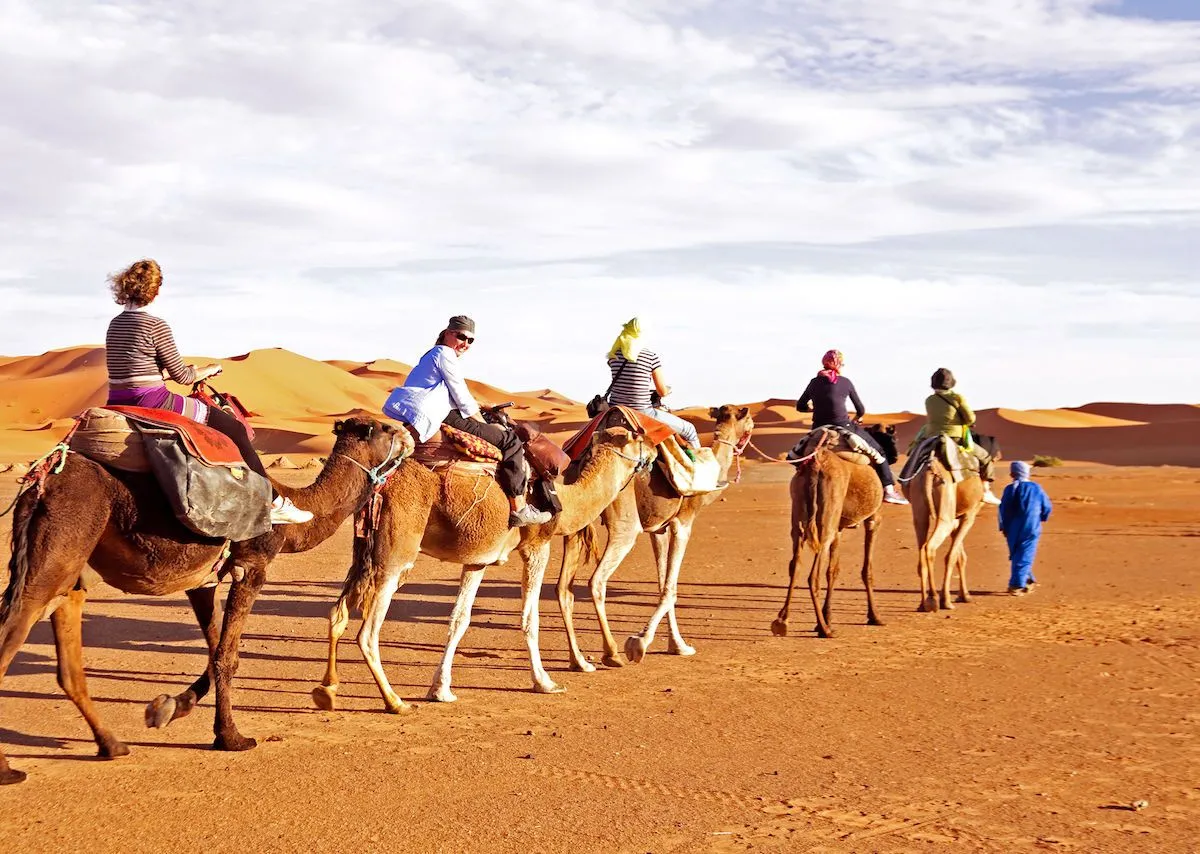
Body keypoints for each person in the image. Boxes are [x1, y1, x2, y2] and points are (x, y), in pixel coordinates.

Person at [104, 258, 312, 525]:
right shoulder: (156, 326)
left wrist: (173, 372)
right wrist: (208, 369)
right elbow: (182, 376)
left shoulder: (116, 324)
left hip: (118, 399)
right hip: (152, 400)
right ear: (155, 291)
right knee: (233, 428)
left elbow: (136, 370)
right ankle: (274, 502)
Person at [382, 315, 551, 528]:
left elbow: (450, 392)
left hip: (431, 411)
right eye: (461, 336)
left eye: (471, 340)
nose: (465, 343)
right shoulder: (445, 353)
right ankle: (519, 507)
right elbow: (461, 397)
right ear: (447, 333)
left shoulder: (433, 355)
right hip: (439, 414)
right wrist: (485, 424)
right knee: (511, 442)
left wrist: (484, 404)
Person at [796, 350, 908, 505]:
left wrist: (814, 408)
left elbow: (800, 406)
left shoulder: (814, 382)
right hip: (843, 425)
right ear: (838, 364)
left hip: (819, 427)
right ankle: (889, 490)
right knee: (879, 453)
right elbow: (860, 409)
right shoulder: (845, 382)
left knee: (797, 456)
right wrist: (857, 419)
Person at [604, 317, 700, 453]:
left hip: (615, 411)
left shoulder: (613, 356)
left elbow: (627, 381)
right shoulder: (650, 357)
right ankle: (697, 466)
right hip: (642, 412)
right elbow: (662, 392)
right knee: (689, 430)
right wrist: (667, 390)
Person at [924, 368, 1001, 505]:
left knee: (914, 453)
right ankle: (986, 490)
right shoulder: (956, 398)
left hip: (931, 437)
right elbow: (970, 418)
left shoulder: (929, 400)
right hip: (954, 438)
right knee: (985, 457)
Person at [999, 460, 1052, 596]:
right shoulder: (1036, 488)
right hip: (1031, 526)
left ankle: (1028, 580)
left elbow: (1002, 510)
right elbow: (1046, 507)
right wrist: (1043, 517)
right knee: (1024, 554)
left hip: (1011, 528)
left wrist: (1003, 527)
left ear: (1012, 473)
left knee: (1018, 554)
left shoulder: (1009, 489)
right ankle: (1016, 585)